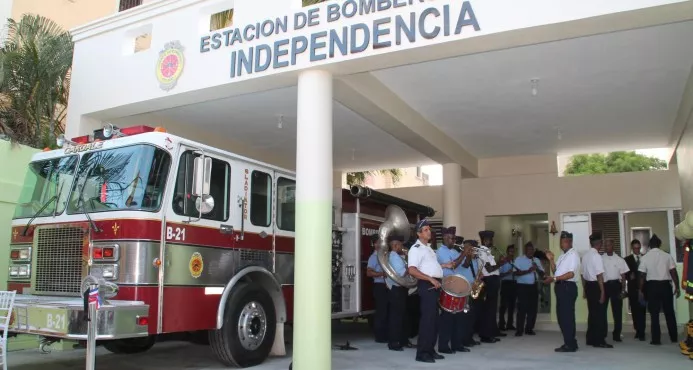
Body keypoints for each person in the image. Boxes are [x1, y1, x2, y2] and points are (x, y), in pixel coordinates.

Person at [407, 219, 445, 363]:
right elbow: (412, 270)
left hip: (435, 285)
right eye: (426, 230)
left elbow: (429, 266)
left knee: (434, 320)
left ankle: (430, 349)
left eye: (429, 229)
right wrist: (430, 279)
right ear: (418, 233)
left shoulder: (428, 248)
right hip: (427, 285)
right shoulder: (415, 249)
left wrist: (444, 265)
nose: (429, 232)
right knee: (427, 321)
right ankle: (422, 353)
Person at [638, 234, 680, 345]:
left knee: (654, 314)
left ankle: (656, 340)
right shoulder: (667, 256)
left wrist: (640, 290)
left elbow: (642, 276)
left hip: (652, 287)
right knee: (669, 312)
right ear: (659, 244)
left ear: (650, 245)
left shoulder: (645, 257)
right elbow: (673, 272)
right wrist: (677, 287)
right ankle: (674, 337)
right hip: (665, 286)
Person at [543, 231, 580, 352]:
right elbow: (556, 271)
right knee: (563, 317)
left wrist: (553, 279)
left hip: (567, 287)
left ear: (570, 242)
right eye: (561, 241)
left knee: (566, 317)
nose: (561, 244)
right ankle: (571, 342)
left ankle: (569, 344)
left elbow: (570, 274)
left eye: (564, 241)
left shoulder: (573, 255)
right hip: (561, 287)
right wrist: (551, 260)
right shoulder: (562, 255)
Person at [435, 227, 470, 354]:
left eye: (454, 238)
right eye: (450, 238)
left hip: (458, 287)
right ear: (444, 238)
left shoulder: (455, 251)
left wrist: (469, 255)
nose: (453, 240)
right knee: (447, 318)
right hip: (447, 287)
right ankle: (443, 346)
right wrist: (464, 253)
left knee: (459, 317)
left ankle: (457, 344)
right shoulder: (440, 251)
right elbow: (454, 264)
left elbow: (464, 265)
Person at [582, 231, 612, 348]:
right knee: (599, 314)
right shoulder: (597, 256)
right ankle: (599, 340)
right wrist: (603, 292)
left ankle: (590, 339)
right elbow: (600, 275)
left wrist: (584, 289)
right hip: (596, 286)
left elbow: (582, 274)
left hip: (588, 286)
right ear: (599, 244)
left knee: (592, 313)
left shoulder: (585, 256)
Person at [478, 230, 505, 342]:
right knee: (488, 309)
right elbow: (489, 269)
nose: (492, 241)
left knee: (493, 308)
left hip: (493, 281)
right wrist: (500, 263)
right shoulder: (482, 252)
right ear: (485, 240)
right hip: (488, 281)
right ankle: (486, 335)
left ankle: (492, 331)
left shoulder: (488, 252)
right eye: (490, 239)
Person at [385, 235, 410, 351]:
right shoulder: (394, 257)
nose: (402, 247)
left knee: (402, 316)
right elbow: (402, 273)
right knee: (396, 317)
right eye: (400, 245)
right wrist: (411, 267)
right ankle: (394, 342)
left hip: (400, 289)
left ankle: (402, 339)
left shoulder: (398, 256)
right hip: (396, 289)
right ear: (395, 246)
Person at [513, 241, 544, 336]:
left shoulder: (537, 260)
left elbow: (542, 274)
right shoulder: (519, 260)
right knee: (522, 308)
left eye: (532, 250)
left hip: (533, 286)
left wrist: (537, 268)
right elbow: (515, 273)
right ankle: (519, 330)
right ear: (525, 250)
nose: (530, 251)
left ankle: (529, 328)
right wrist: (528, 271)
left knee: (533, 309)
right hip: (522, 287)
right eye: (528, 250)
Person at [601, 238, 629, 342]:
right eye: (606, 245)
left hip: (616, 286)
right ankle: (603, 333)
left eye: (609, 245)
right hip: (604, 286)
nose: (607, 247)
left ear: (613, 246)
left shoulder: (620, 260)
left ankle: (617, 334)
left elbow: (623, 276)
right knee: (602, 311)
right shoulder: (601, 258)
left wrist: (623, 289)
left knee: (617, 312)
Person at [366, 234, 388, 343]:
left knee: (386, 311)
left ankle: (385, 334)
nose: (381, 244)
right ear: (374, 244)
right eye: (378, 242)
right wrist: (381, 274)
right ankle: (379, 336)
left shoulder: (385, 255)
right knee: (381, 312)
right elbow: (369, 272)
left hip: (387, 286)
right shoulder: (373, 257)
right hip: (379, 286)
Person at [624, 239, 646, 341]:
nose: (637, 250)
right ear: (632, 248)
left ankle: (642, 332)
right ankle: (637, 329)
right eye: (635, 248)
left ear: (640, 247)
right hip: (632, 288)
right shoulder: (627, 259)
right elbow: (624, 273)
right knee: (634, 310)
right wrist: (629, 276)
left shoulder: (645, 258)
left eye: (638, 248)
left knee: (642, 310)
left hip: (643, 288)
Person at [498, 245, 517, 332]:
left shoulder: (515, 261)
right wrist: (508, 273)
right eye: (510, 251)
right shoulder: (503, 262)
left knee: (512, 305)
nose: (512, 253)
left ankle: (510, 324)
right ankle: (501, 324)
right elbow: (499, 275)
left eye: (513, 251)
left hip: (514, 283)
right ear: (507, 252)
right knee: (504, 305)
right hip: (506, 283)